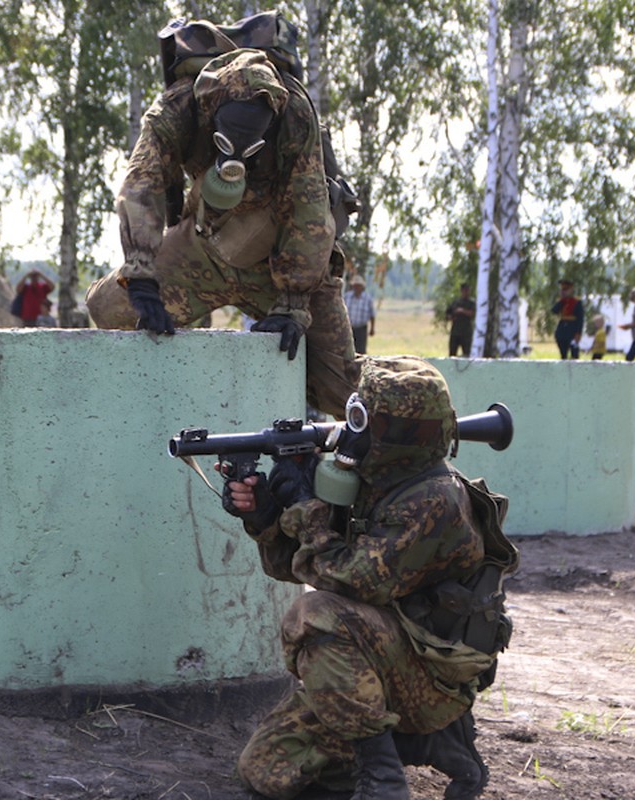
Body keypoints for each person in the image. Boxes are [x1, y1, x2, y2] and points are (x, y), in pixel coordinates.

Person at [223, 356, 516, 800]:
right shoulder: (371, 480)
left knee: (315, 615)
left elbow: (349, 581)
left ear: (396, 432)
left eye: (362, 418)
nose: (351, 427)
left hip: (431, 676)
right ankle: (424, 743)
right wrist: (266, 517)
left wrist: (307, 508)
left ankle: (383, 778)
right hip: (375, 665)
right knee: (267, 772)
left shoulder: (434, 501)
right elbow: (299, 565)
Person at [84, 16, 359, 417]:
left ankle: (414, 402)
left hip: (281, 262)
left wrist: (294, 303)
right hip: (202, 249)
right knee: (110, 309)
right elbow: (142, 185)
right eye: (225, 144)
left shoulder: (295, 116)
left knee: (342, 393)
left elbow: (309, 211)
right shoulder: (179, 108)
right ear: (211, 112)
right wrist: (140, 272)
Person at [551, 279, 583, 359]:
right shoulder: (562, 302)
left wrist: (578, 333)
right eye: (562, 289)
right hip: (562, 330)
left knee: (574, 354)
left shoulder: (577, 302)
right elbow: (554, 310)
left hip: (572, 330)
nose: (564, 291)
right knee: (563, 354)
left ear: (571, 289)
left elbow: (580, 319)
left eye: (566, 289)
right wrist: (561, 300)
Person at [344, 274, 375, 355]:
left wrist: (372, 328)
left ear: (362, 287)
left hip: (361, 328)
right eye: (355, 286)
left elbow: (372, 315)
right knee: (348, 350)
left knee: (361, 351)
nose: (356, 288)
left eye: (358, 286)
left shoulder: (367, 299)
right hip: (349, 328)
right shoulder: (347, 297)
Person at [446, 282, 475, 357]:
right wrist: (452, 316)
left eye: (468, 290)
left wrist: (462, 311)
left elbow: (472, 314)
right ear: (461, 291)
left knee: (467, 354)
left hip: (466, 333)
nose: (467, 292)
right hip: (455, 332)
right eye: (465, 290)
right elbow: (448, 314)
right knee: (452, 354)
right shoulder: (455, 302)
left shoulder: (471, 303)